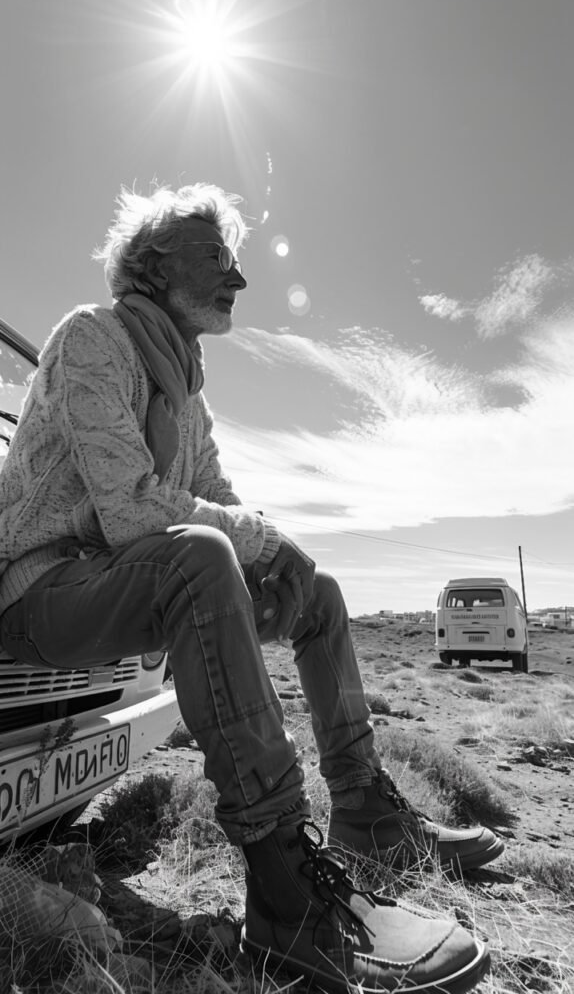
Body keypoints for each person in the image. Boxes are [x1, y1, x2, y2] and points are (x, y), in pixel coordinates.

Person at [0, 183, 502, 993]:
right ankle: (283, 889)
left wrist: (277, 555)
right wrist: (256, 539)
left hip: (117, 586)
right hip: (41, 596)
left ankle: (368, 812)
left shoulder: (186, 386)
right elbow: (132, 508)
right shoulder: (92, 337)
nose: (238, 277)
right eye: (218, 257)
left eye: (236, 260)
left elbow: (217, 497)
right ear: (156, 264)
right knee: (202, 557)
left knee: (320, 589)